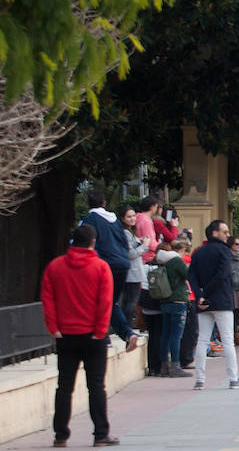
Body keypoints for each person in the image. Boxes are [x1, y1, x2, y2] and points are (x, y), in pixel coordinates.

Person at [41, 224, 120, 448]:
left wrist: (53, 327)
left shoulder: (55, 267)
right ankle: (100, 434)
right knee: (96, 386)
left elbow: (48, 299)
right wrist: (101, 330)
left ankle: (60, 435)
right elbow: (105, 302)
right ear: (93, 242)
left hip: (65, 333)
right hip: (93, 335)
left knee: (64, 386)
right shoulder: (101, 267)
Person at [79, 190, 139, 352]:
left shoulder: (89, 220)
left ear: (87, 204)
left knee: (98, 300)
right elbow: (123, 243)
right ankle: (127, 333)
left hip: (104, 265)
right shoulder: (114, 220)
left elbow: (88, 243)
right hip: (122, 263)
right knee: (111, 302)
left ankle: (103, 335)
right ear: (104, 203)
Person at [189, 220, 239, 390]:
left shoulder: (199, 252)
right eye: (225, 232)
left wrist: (200, 295)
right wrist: (206, 294)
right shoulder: (223, 251)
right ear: (215, 233)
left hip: (203, 303)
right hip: (221, 300)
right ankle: (233, 378)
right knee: (227, 340)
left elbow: (191, 275)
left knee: (203, 340)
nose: (228, 235)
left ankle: (199, 379)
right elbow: (223, 275)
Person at [156, 240, 192, 378]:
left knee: (165, 334)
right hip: (178, 299)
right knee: (176, 335)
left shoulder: (162, 260)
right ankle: (175, 366)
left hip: (165, 300)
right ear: (182, 251)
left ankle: (164, 366)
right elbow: (188, 275)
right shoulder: (176, 261)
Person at [119, 207, 149, 328]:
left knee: (129, 301)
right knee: (131, 302)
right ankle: (126, 326)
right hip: (132, 272)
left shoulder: (130, 232)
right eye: (129, 217)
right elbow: (130, 253)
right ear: (122, 218)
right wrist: (144, 246)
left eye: (133, 216)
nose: (132, 219)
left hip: (132, 272)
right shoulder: (126, 233)